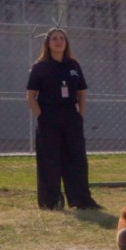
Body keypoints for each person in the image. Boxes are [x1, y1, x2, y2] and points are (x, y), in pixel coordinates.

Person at [26, 28, 99, 210]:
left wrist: (79, 116)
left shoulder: (73, 65)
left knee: (76, 158)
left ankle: (81, 200)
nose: (58, 42)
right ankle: (51, 201)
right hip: (49, 116)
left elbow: (82, 93)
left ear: (66, 43)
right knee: (49, 159)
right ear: (48, 44)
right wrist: (41, 116)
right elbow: (30, 96)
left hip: (71, 116)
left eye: (62, 38)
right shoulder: (40, 66)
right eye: (54, 39)